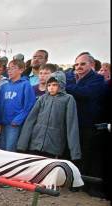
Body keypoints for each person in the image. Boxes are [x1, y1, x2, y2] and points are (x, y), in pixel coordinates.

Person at [65, 52, 107, 197]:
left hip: (88, 123)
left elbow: (86, 93)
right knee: (72, 153)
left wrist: (68, 85)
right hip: (72, 122)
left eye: (83, 64)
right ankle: (72, 181)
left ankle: (86, 185)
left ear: (92, 65)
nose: (79, 67)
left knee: (86, 154)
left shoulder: (98, 79)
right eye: (76, 64)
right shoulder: (72, 78)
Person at [18, 72, 80, 161]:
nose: (51, 87)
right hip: (35, 142)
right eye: (49, 85)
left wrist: (75, 153)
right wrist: (22, 144)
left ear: (61, 85)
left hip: (53, 146)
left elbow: (72, 126)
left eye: (55, 85)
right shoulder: (42, 98)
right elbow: (30, 121)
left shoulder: (68, 99)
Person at [0, 59, 36, 152]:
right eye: (8, 68)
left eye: (13, 68)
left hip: (14, 124)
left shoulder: (25, 84)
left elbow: (29, 105)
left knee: (10, 149)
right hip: (3, 123)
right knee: (0, 148)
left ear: (21, 70)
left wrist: (18, 119)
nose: (9, 71)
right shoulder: (5, 86)